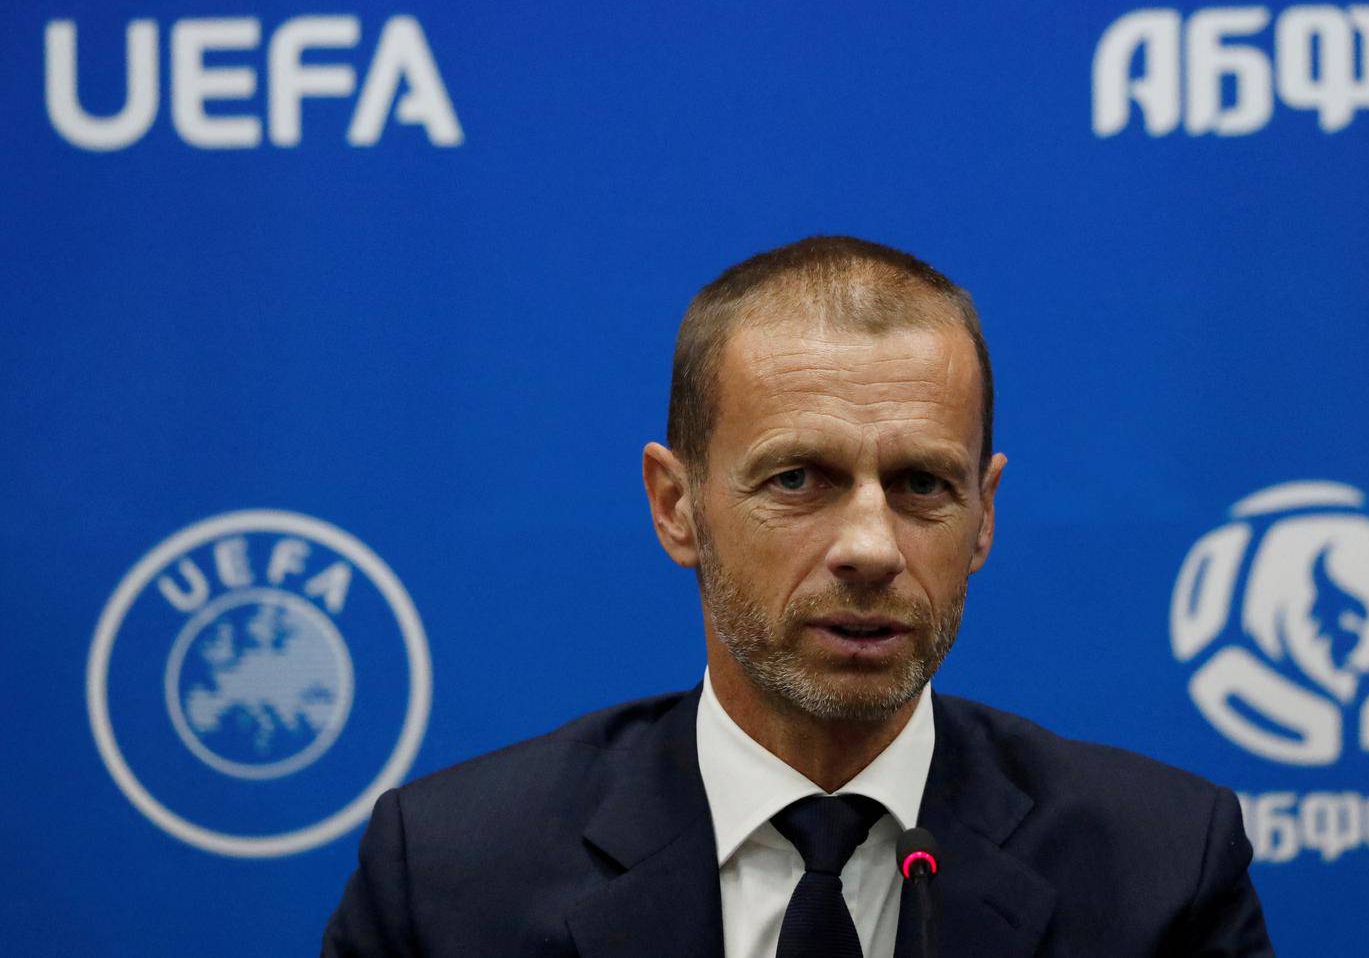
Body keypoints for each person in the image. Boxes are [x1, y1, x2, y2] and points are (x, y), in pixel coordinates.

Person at [322, 235, 1273, 957]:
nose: (870, 546)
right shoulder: (448, 876)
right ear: (677, 505)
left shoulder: (1162, 869)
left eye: (922, 486)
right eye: (797, 479)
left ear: (983, 517)